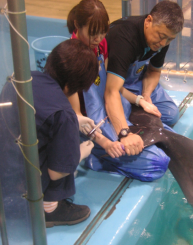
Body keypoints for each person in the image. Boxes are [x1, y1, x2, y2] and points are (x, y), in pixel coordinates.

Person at [67, 0, 173, 181]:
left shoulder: (101, 46)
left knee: (169, 139)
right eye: (92, 34)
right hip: (91, 126)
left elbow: (112, 87)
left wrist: (139, 101)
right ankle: (98, 158)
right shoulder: (70, 58)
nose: (97, 39)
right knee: (158, 163)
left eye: (102, 34)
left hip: (107, 111)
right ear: (77, 25)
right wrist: (107, 143)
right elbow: (77, 118)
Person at [104, 1, 184, 157]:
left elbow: (154, 70)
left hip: (135, 79)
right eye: (161, 37)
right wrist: (124, 133)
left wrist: (146, 95)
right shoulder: (124, 38)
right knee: (120, 114)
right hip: (112, 82)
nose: (163, 44)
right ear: (148, 21)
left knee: (170, 114)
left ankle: (134, 109)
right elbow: (111, 91)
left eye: (169, 40)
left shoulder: (162, 38)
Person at [35, 39, 97, 227]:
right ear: (75, 84)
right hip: (25, 181)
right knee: (66, 153)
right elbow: (57, 172)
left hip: (6, 168)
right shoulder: (64, 114)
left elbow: (40, 116)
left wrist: (76, 120)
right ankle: (50, 209)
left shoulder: (29, 78)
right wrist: (79, 153)